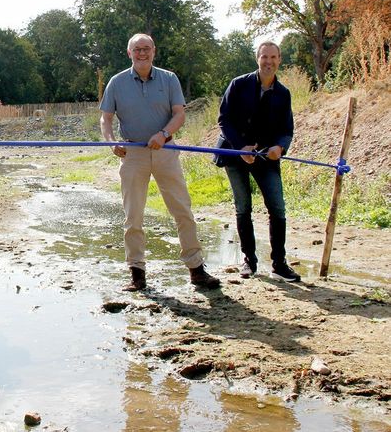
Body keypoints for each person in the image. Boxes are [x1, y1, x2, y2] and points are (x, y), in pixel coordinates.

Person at [100, 33, 221, 291]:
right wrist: (112, 142)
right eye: (137, 50)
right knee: (133, 216)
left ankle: (197, 269)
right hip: (132, 155)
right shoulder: (116, 82)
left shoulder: (169, 79)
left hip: (166, 152)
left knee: (182, 211)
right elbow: (106, 118)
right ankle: (137, 273)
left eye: (146, 49)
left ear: (154, 51)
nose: (142, 53)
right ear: (129, 53)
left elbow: (179, 114)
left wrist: (164, 134)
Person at [214, 41, 300, 282]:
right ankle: (249, 261)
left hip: (266, 158)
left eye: (273, 57)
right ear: (257, 58)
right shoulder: (238, 84)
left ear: (280, 60)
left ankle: (279, 263)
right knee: (243, 207)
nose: (268, 61)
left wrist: (280, 147)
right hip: (234, 152)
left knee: (278, 208)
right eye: (264, 57)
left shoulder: (283, 93)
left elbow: (287, 129)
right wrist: (241, 147)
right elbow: (224, 119)